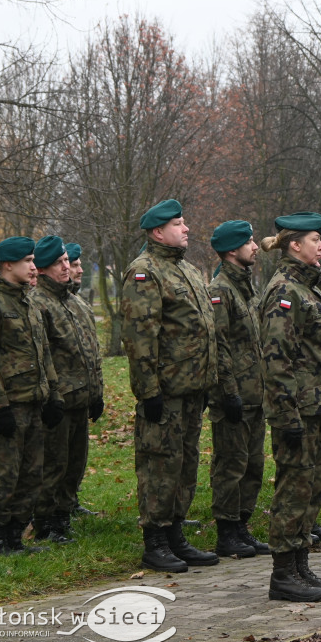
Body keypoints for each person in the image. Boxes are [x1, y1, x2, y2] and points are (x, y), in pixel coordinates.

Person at [121, 199, 219, 573]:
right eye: (179, 224)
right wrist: (148, 392)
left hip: (192, 388)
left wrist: (209, 379)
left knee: (185, 463)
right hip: (165, 390)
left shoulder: (189, 271)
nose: (187, 229)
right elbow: (140, 336)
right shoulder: (144, 272)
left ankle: (176, 534)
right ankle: (155, 540)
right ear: (158, 231)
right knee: (160, 465)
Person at [258, 212, 321, 601]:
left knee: (311, 489)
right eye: (314, 240)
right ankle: (283, 574)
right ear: (295, 244)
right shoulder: (285, 291)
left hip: (317, 407)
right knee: (294, 489)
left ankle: (301, 566)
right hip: (297, 410)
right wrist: (286, 413)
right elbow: (277, 358)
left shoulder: (310, 288)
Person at [0, 236, 62, 554]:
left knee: (31, 474)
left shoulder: (30, 304)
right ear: (8, 264)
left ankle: (15, 537)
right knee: (5, 475)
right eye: (27, 261)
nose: (33, 267)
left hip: (34, 403)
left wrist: (53, 395)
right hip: (9, 407)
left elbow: (43, 353)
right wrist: (0, 407)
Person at [29, 236, 103, 544]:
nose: (66, 267)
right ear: (44, 269)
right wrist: (50, 396)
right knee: (53, 466)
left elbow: (90, 352)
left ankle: (62, 518)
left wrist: (97, 392)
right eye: (59, 263)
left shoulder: (76, 302)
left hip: (81, 398)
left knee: (75, 463)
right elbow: (39, 355)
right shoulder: (38, 303)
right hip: (58, 400)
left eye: (66, 262)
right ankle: (45, 524)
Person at [206, 221, 269, 559]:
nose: (255, 246)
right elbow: (220, 346)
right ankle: (227, 531)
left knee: (253, 465)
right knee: (231, 465)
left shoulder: (246, 288)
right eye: (248, 241)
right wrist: (228, 391)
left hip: (255, 394)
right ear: (232, 250)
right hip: (234, 395)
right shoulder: (221, 290)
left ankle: (242, 527)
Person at [63, 242, 104, 516]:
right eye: (73, 265)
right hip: (62, 393)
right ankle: (53, 511)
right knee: (58, 457)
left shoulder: (79, 303)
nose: (77, 270)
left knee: (77, 457)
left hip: (81, 392)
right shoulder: (47, 302)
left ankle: (69, 501)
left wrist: (95, 392)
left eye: (78, 265)